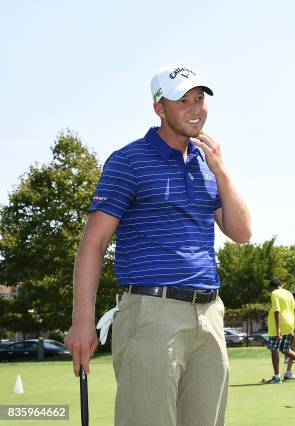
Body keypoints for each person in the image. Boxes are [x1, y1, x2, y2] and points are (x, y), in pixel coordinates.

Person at [64, 62, 251, 426]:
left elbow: (242, 232)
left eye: (200, 99)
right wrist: (82, 320)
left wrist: (223, 171)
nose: (195, 109)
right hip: (151, 313)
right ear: (159, 108)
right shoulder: (128, 162)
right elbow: (93, 243)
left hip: (210, 314)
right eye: (183, 101)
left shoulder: (206, 163)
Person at [265, 279, 295, 384]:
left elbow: (277, 311)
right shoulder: (288, 293)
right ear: (281, 285)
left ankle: (277, 377)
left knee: (274, 349)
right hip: (289, 325)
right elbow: (294, 310)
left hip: (278, 326)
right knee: (285, 349)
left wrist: (278, 329)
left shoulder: (274, 293)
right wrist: (293, 327)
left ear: (272, 287)